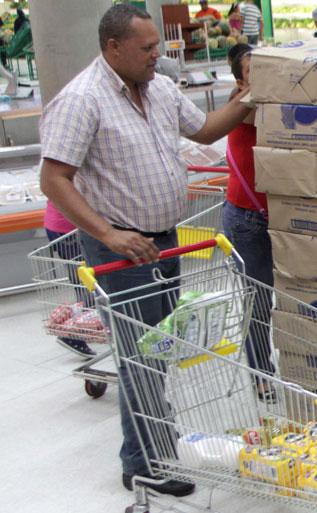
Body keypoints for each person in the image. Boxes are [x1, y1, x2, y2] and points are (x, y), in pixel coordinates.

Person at [38, 4, 252, 497]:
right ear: (113, 47)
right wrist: (109, 234)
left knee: (158, 350)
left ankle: (157, 438)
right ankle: (141, 462)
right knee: (140, 356)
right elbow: (54, 179)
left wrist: (249, 97)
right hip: (121, 249)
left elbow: (203, 131)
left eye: (158, 45)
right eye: (148, 48)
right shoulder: (82, 100)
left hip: (162, 244)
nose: (159, 55)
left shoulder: (157, 89)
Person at [222, 46, 276, 401]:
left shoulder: (273, 100)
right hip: (248, 219)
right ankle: (260, 373)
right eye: (255, 70)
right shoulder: (241, 108)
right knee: (258, 299)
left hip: (281, 217)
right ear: (241, 81)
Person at [44, 204, 96, 358]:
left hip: (68, 225)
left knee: (87, 285)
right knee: (90, 285)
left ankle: (81, 330)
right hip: (73, 228)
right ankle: (73, 335)